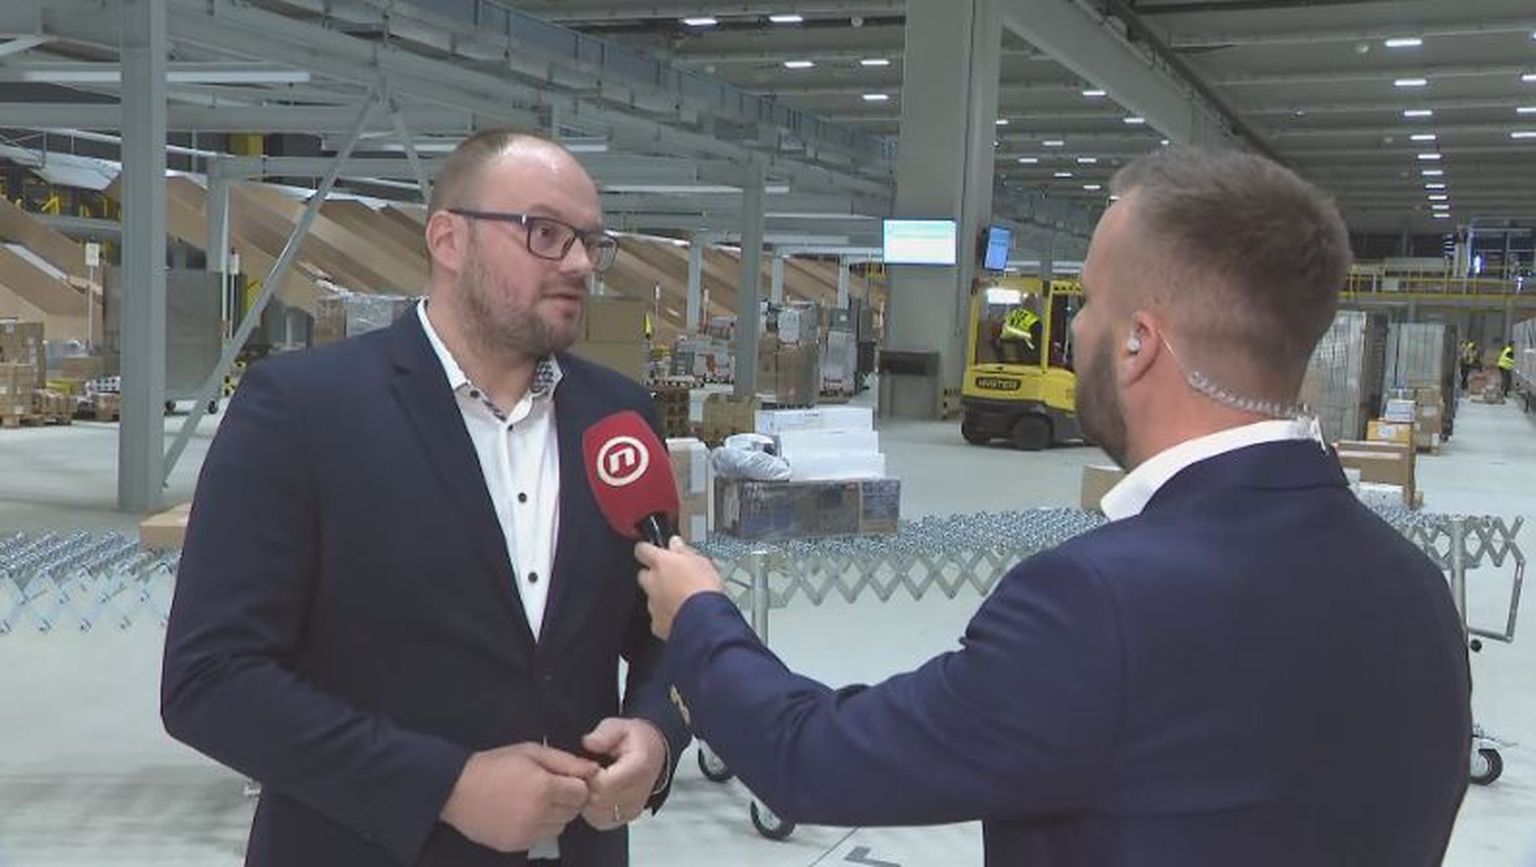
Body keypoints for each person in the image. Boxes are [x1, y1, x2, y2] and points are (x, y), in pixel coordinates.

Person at [637, 149, 1471, 866]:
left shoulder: (1097, 601)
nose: (1073, 335)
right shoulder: (1417, 588)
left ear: (1139, 343)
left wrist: (701, 614)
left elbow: (812, 758)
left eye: (1089, 304)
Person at [162, 130, 689, 867]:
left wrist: (656, 735)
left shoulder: (620, 419)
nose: (577, 263)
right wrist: (445, 786)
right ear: (448, 239)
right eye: (545, 233)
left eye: (591, 243)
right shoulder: (303, 410)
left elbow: (669, 629)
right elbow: (210, 680)